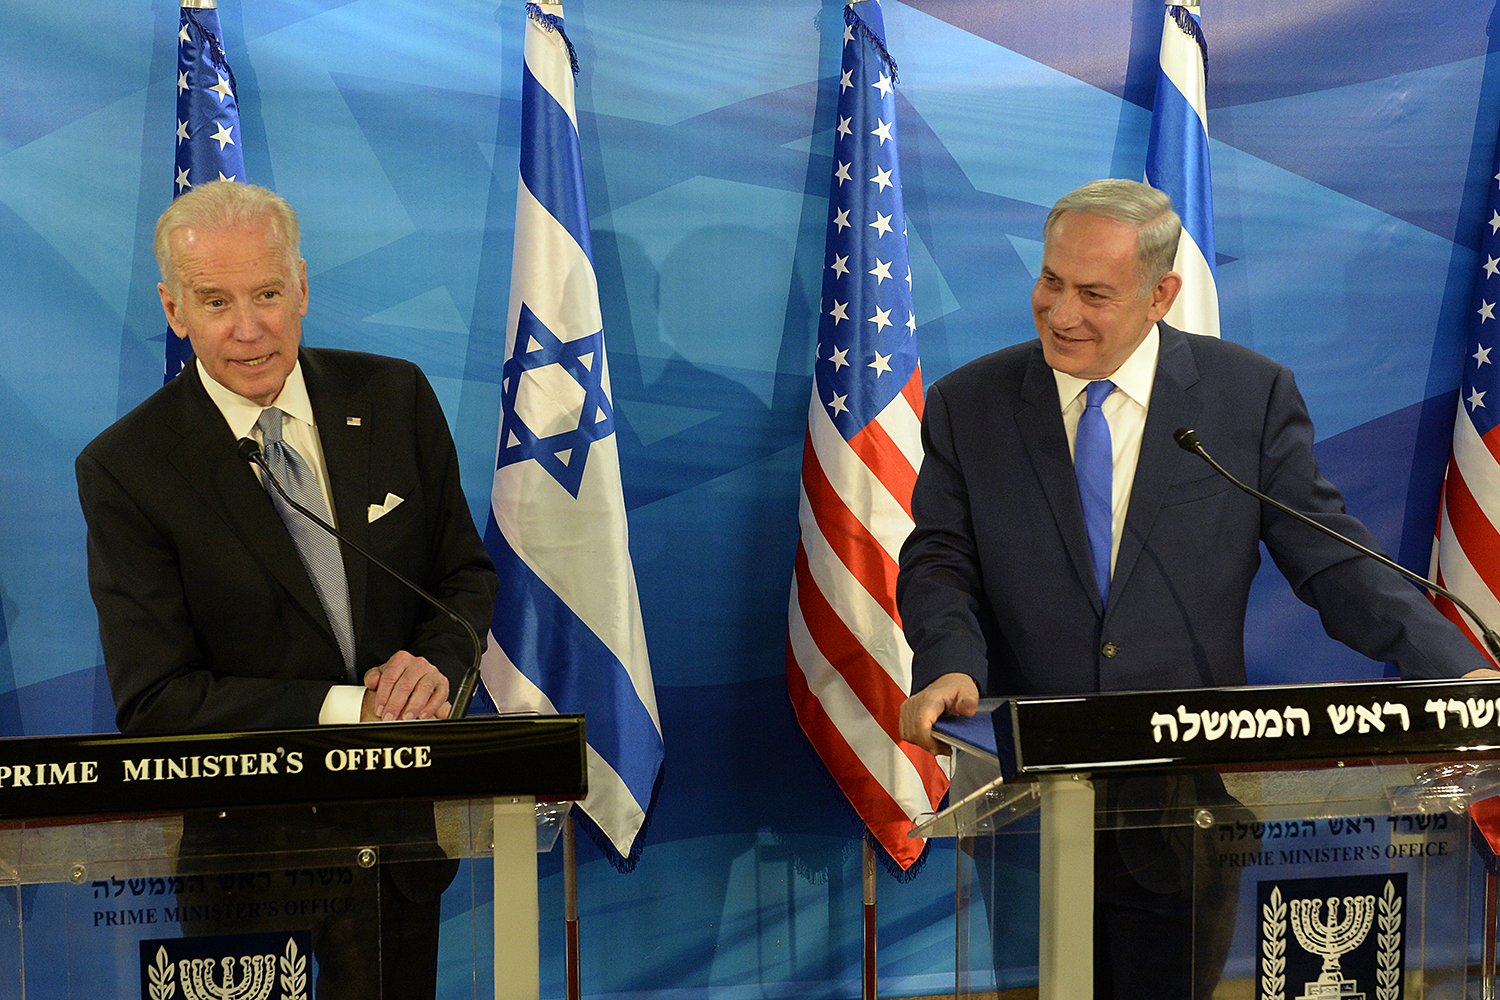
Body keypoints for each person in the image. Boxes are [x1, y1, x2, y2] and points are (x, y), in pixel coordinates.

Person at [895, 178, 1498, 998]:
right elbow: (941, 559)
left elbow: (1333, 563)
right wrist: (950, 662)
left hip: (1183, 809)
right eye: (1050, 282)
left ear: (1161, 293)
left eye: (1094, 294)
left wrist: (1459, 674)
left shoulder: (1243, 398)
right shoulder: (972, 404)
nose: (1061, 313)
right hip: (1026, 808)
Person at [76, 180, 499, 998]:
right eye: (215, 300)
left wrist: (433, 665)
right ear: (174, 310)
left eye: (267, 292)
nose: (248, 328)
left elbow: (461, 578)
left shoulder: (394, 398)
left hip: (397, 855)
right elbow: (157, 700)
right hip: (248, 874)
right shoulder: (129, 469)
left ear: (301, 285)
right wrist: (349, 708)